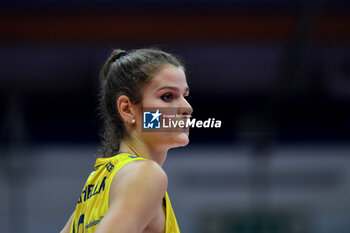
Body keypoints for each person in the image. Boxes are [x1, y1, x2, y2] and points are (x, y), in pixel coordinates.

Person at [60, 48, 192, 233]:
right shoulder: (146, 174)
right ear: (127, 109)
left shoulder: (97, 183)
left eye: (184, 96)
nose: (187, 108)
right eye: (168, 97)